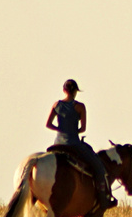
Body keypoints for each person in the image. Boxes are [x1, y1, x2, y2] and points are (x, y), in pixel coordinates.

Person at [45, 79, 114, 209]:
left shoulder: (56, 105)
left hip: (57, 143)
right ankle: (103, 197)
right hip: (73, 143)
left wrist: (60, 129)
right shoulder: (80, 106)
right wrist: (72, 130)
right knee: (98, 165)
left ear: (64, 90)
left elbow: (48, 124)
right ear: (75, 91)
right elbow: (83, 129)